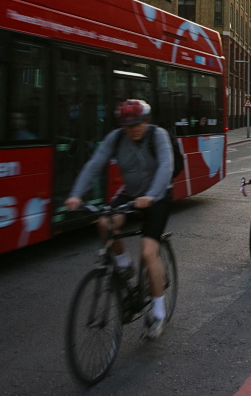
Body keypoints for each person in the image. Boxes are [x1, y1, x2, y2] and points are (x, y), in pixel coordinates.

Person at [65, 99, 173, 340]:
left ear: (146, 120)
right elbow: (94, 165)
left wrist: (151, 196)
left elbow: (166, 166)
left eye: (137, 123)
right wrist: (75, 194)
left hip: (159, 195)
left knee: (148, 252)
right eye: (128, 125)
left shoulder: (158, 135)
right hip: (131, 194)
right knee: (105, 222)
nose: (133, 129)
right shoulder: (116, 138)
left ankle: (158, 313)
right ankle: (123, 265)